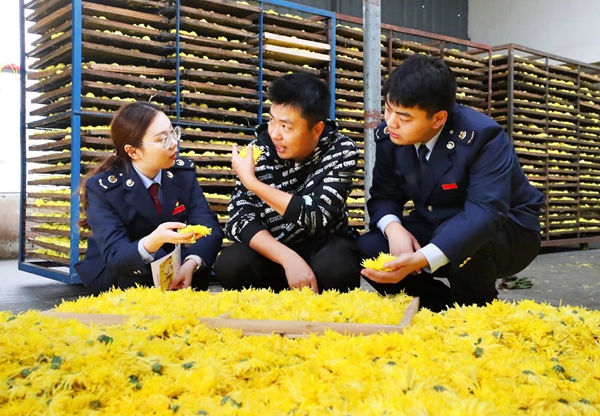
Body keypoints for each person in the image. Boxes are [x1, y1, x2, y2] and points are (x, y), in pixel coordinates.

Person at [358, 54, 545, 312]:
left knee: (470, 240)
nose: (390, 123)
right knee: (370, 247)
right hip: (436, 221)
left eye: (404, 117)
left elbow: (486, 213)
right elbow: (383, 195)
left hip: (507, 231)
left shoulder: (482, 137)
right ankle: (436, 308)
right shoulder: (391, 137)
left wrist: (422, 258)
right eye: (388, 109)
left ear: (438, 119)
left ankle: (475, 308)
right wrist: (394, 229)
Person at [215, 72, 361, 293]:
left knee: (337, 267)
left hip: (322, 247)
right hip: (272, 251)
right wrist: (287, 258)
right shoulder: (257, 153)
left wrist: (252, 183)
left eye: (286, 127)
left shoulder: (341, 150)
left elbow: (317, 217)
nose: (275, 134)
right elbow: (239, 220)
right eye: (272, 121)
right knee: (231, 265)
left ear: (317, 129)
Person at [75, 102, 223, 295]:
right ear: (133, 151)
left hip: (170, 267)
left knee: (199, 272)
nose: (174, 143)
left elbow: (209, 227)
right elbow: (115, 255)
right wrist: (154, 241)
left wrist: (191, 262)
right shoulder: (103, 188)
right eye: (163, 139)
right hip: (121, 272)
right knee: (136, 281)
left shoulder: (181, 174)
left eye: (173, 133)